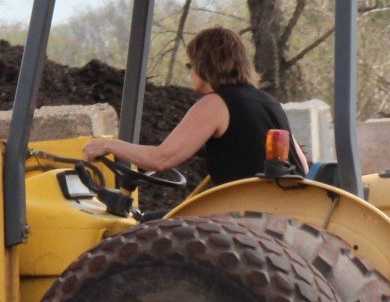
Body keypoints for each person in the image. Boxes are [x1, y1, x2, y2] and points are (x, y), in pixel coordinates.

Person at [81, 26, 298, 187]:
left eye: (190, 65)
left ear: (205, 65)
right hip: (280, 212)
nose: (191, 72)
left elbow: (161, 159)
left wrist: (109, 146)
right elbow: (301, 166)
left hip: (242, 218)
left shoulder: (215, 104)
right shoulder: (270, 102)